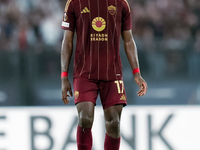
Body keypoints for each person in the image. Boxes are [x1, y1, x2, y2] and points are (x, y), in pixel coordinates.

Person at [61, 0, 148, 149]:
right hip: (84, 73)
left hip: (112, 73)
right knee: (85, 118)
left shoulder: (121, 3)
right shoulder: (74, 2)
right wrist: (64, 77)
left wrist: (137, 73)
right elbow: (67, 41)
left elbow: (128, 40)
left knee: (114, 122)